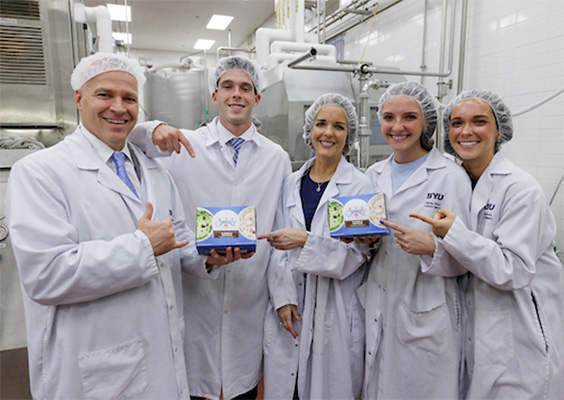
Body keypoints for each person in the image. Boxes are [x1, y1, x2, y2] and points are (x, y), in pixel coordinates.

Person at [6, 53, 234, 400]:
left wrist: (207, 258)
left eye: (129, 98)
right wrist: (141, 246)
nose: (119, 107)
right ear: (79, 98)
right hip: (94, 368)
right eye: (105, 95)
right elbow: (46, 275)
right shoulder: (40, 172)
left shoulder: (154, 169)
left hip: (162, 356)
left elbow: (177, 238)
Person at [128, 56, 292, 400]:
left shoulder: (275, 157)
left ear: (257, 99)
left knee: (243, 388)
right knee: (194, 385)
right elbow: (129, 141)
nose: (237, 94)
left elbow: (280, 228)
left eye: (246, 88)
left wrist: (284, 295)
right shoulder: (183, 144)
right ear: (214, 95)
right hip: (195, 290)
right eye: (228, 87)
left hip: (250, 292)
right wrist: (152, 127)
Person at [412, 89, 564, 399]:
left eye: (479, 122)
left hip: (520, 340)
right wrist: (430, 246)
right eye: (456, 123)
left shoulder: (521, 189)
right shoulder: (456, 181)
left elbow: (513, 270)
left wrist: (453, 233)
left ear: (499, 130)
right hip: (473, 337)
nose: (466, 131)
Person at [360, 81, 472, 399]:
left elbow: (470, 257)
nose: (397, 127)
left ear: (426, 122)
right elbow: (369, 246)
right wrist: (364, 241)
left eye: (409, 117)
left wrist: (433, 249)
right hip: (380, 303)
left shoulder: (450, 176)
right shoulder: (372, 175)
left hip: (427, 309)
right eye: (388, 117)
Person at [259, 93, 374, 399]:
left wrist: (306, 241)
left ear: (348, 136)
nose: (328, 132)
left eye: (338, 126)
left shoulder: (360, 186)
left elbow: (358, 255)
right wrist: (282, 297)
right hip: (291, 305)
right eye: (321, 124)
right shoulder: (290, 183)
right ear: (309, 131)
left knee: (329, 386)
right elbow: (275, 246)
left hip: (335, 308)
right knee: (287, 389)